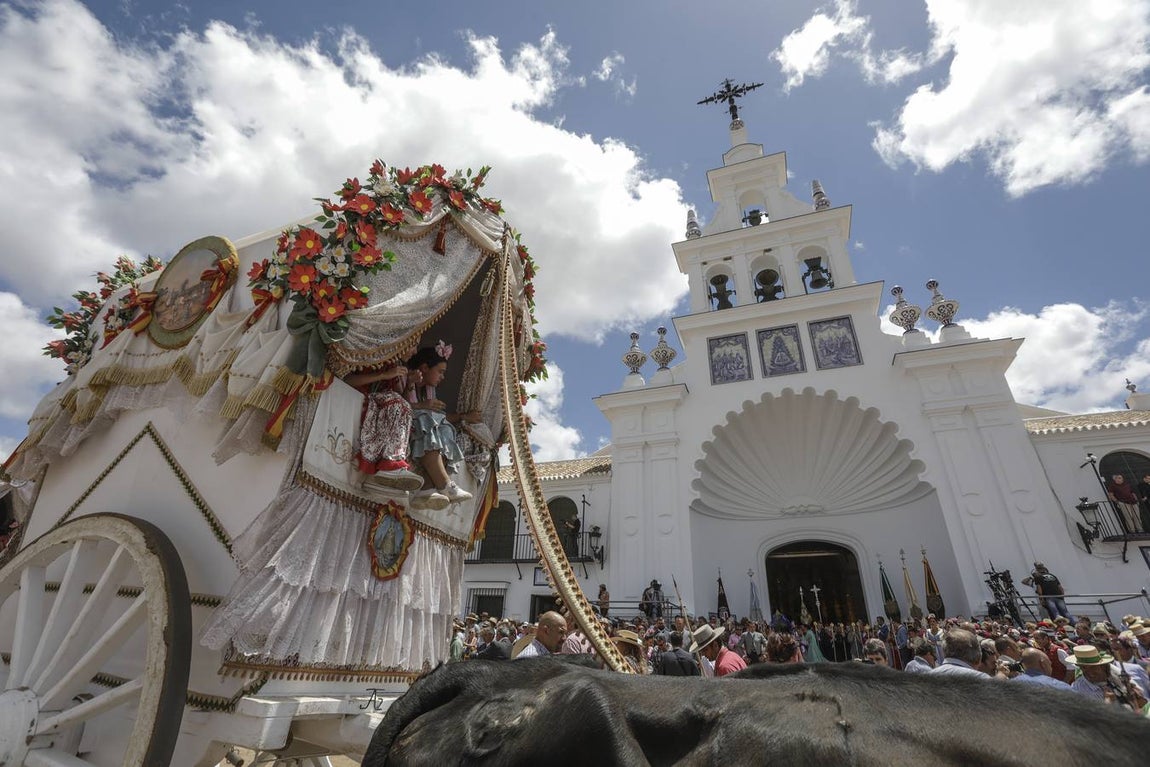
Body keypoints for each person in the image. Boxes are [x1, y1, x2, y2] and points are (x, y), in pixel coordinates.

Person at [405, 344, 478, 511]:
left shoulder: (429, 390)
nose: (442, 377)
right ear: (424, 367)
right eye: (440, 371)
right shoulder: (407, 378)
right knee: (429, 421)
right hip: (410, 423)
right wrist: (422, 405)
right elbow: (401, 402)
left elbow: (442, 417)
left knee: (445, 428)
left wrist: (463, 416)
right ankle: (445, 484)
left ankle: (427, 489)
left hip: (424, 424)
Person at [344, 361, 424, 492]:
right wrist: (383, 375)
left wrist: (410, 383)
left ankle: (392, 465)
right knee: (397, 402)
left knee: (404, 406)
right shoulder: (377, 356)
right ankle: (388, 465)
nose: (414, 350)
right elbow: (346, 379)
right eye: (413, 345)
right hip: (365, 397)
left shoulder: (394, 366)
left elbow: (402, 401)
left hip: (383, 402)